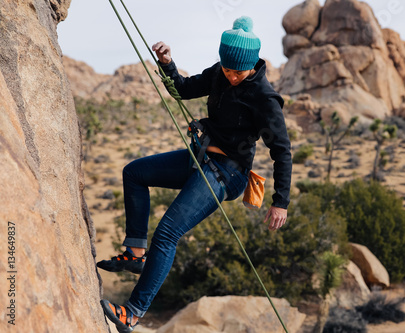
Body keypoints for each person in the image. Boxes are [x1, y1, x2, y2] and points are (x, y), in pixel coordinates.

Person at [98, 16, 292, 333]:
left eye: (238, 72)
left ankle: (132, 312)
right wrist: (168, 63)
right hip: (200, 158)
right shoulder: (219, 73)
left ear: (252, 66)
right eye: (227, 69)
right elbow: (184, 90)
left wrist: (280, 202)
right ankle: (134, 253)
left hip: (228, 173)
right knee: (134, 173)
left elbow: (281, 151)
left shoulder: (264, 99)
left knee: (166, 234)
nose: (231, 76)